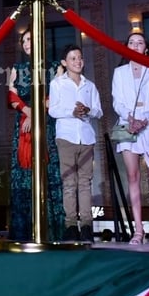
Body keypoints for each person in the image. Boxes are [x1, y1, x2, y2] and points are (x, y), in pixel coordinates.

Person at [111, 32, 149, 245]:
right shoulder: (119, 73)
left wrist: (144, 119)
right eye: (131, 42)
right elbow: (116, 101)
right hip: (128, 126)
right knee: (132, 176)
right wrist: (130, 117)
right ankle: (138, 229)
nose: (135, 45)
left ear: (146, 47)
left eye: (140, 42)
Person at [6, 28, 65, 242]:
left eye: (32, 39)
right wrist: (27, 111)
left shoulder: (55, 67)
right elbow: (11, 95)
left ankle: (50, 229)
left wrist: (36, 113)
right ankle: (24, 231)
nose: (28, 43)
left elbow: (56, 95)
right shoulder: (17, 68)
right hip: (23, 124)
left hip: (46, 125)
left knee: (47, 172)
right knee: (24, 175)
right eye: (25, 40)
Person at [48, 43, 103, 242]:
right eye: (73, 58)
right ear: (64, 62)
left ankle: (87, 225)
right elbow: (52, 110)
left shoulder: (90, 85)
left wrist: (88, 110)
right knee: (69, 183)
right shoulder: (57, 84)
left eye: (80, 58)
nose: (78, 61)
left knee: (85, 183)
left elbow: (99, 111)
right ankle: (71, 224)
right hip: (66, 137)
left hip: (87, 137)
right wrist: (71, 112)